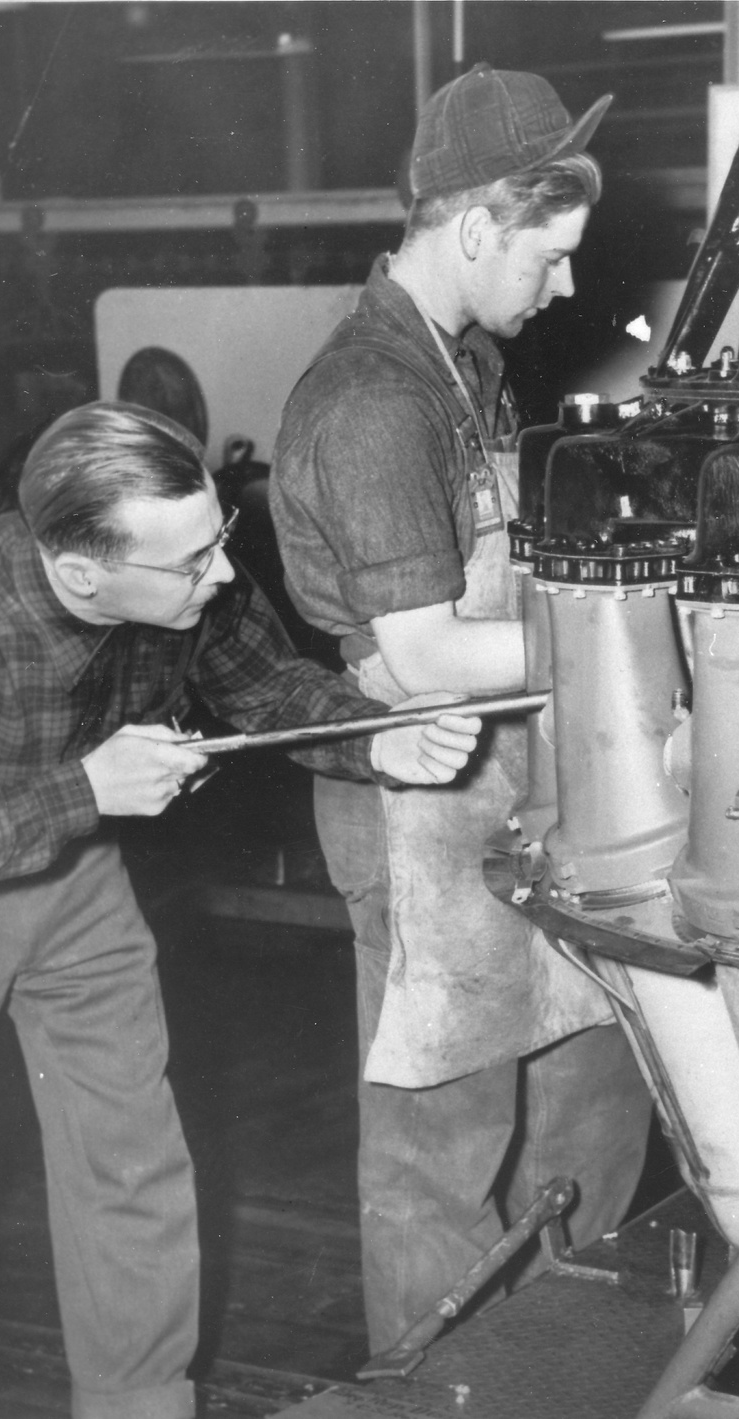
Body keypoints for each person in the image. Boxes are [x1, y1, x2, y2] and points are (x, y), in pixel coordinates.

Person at [0, 400, 480, 1419]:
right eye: (191, 562)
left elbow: (269, 689)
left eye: (221, 541)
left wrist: (376, 737)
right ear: (81, 572)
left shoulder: (188, 568)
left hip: (73, 886)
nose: (218, 576)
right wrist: (85, 791)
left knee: (131, 1164)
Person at [269, 63, 653, 1353]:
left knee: (589, 1103)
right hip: (421, 805)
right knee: (446, 1147)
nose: (566, 287)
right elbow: (427, 655)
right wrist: (637, 626)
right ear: (479, 224)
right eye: (550, 256)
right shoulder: (378, 396)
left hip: (516, 794)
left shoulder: (462, 364)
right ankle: (436, 1384)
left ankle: (574, 1358)